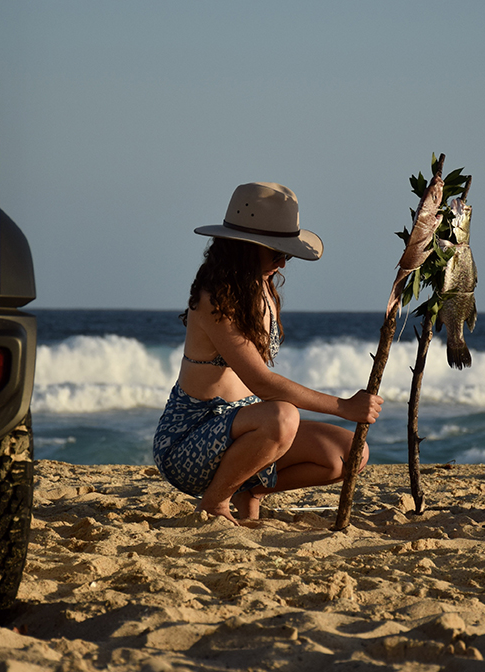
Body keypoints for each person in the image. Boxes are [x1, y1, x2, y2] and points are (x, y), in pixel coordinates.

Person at [153, 182, 383, 525]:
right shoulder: (215, 299)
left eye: (286, 253)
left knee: (351, 454)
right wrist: (344, 407)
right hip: (190, 439)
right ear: (245, 248)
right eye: (276, 252)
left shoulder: (264, 290)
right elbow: (263, 384)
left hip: (245, 434)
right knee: (282, 416)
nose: (284, 263)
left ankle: (250, 490)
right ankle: (214, 502)